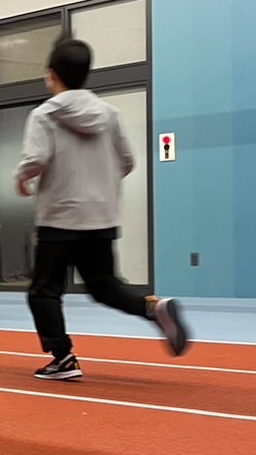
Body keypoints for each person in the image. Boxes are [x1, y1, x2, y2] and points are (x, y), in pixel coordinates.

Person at [14, 38, 189, 380]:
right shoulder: (109, 114)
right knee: (104, 285)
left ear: (51, 75)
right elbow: (127, 161)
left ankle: (63, 357)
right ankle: (151, 308)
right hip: (100, 217)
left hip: (59, 217)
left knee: (44, 291)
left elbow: (36, 159)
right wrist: (100, 185)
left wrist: (22, 178)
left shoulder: (44, 115)